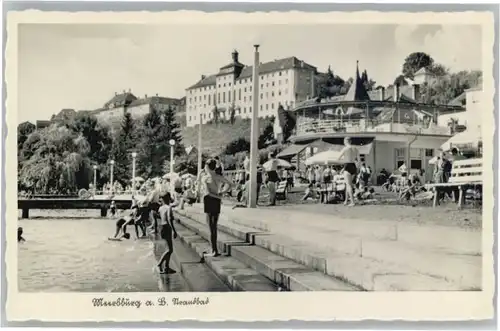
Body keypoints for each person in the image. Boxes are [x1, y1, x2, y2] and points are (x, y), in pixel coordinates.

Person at [200, 159, 232, 257]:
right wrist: (222, 193)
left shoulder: (205, 178)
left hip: (209, 200)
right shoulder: (218, 177)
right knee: (214, 226)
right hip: (216, 200)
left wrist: (219, 196)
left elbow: (208, 192)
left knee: (210, 226)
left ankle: (214, 250)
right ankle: (213, 249)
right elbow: (230, 184)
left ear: (207, 167)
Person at [156, 193, 178, 274]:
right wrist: (174, 230)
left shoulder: (161, 208)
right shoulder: (169, 208)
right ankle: (159, 264)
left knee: (168, 248)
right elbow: (169, 219)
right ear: (169, 199)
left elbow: (158, 216)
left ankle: (166, 267)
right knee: (170, 250)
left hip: (162, 227)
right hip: (167, 227)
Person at [338, 137, 360, 207]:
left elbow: (338, 158)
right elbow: (359, 160)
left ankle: (352, 202)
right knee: (348, 184)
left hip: (347, 165)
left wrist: (344, 162)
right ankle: (346, 201)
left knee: (348, 185)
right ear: (351, 141)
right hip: (353, 166)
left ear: (345, 141)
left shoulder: (345, 148)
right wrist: (358, 167)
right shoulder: (355, 149)